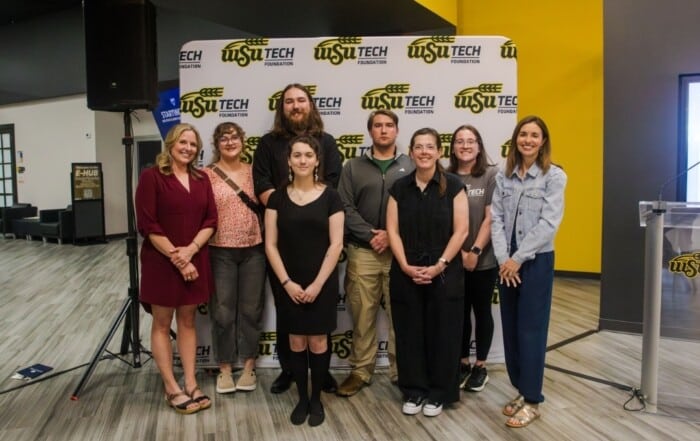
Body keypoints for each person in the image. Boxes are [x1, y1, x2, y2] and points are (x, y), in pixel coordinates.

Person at [253, 83, 342, 394]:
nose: (295, 106)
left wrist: (306, 207)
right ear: (282, 108)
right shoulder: (268, 143)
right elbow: (261, 182)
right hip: (283, 240)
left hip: (319, 241)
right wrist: (284, 207)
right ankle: (289, 370)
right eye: (289, 101)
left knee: (319, 315)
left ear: (310, 105)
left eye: (301, 100)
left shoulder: (327, 143)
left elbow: (331, 184)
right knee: (287, 308)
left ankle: (321, 373)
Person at [135, 123, 217, 414]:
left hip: (195, 258)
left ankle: (191, 382)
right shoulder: (151, 177)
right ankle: (171, 386)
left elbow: (210, 220)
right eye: (183, 142)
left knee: (188, 321)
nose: (188, 148)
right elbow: (148, 224)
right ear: (170, 144)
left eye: (193, 144)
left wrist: (191, 251)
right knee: (161, 322)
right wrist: (178, 259)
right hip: (162, 261)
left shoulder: (202, 178)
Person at [386, 127, 468, 417]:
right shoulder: (398, 187)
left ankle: (439, 393)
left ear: (439, 152)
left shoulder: (455, 186)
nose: (424, 152)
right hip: (405, 270)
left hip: (444, 271)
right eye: (418, 147)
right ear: (411, 152)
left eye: (429, 147)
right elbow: (392, 231)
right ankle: (414, 390)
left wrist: (439, 266)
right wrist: (406, 266)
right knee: (409, 334)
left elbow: (461, 231)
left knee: (443, 334)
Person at [491, 115, 567, 428]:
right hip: (507, 262)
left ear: (543, 141)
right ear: (516, 138)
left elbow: (549, 224)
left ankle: (533, 400)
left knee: (531, 331)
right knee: (510, 329)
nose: (528, 140)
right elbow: (495, 217)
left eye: (535, 135)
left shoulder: (554, 176)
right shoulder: (503, 175)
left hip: (534, 262)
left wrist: (518, 259)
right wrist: (502, 259)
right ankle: (521, 390)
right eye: (523, 134)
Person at [264, 135, 344, 426]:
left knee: (319, 341)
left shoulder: (331, 196)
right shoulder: (276, 197)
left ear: (317, 160)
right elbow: (270, 244)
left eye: (308, 155)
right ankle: (300, 399)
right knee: (296, 341)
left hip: (320, 281)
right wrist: (286, 283)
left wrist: (317, 285)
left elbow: (336, 245)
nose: (302, 160)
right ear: (288, 160)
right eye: (296, 155)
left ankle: (316, 400)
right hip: (289, 282)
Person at [336, 110, 413, 397]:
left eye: (389, 126)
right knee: (362, 315)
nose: (383, 130)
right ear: (370, 131)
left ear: (396, 130)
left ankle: (402, 371)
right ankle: (360, 371)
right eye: (378, 126)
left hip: (399, 253)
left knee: (401, 316)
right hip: (362, 252)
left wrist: (392, 238)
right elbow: (344, 207)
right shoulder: (353, 166)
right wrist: (372, 234)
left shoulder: (411, 164)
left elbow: (416, 207)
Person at [203, 122, 266, 394]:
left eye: (235, 137)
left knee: (251, 311)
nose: (230, 142)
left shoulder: (255, 173)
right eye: (224, 138)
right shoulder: (205, 175)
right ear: (217, 144)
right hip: (219, 250)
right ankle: (225, 368)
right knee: (222, 312)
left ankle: (249, 366)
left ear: (243, 141)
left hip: (254, 249)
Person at [447, 125, 499, 392]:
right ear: (453, 147)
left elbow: (491, 218)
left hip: (484, 260)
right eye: (459, 141)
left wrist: (475, 252)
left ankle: (481, 365)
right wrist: (461, 253)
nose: (465, 145)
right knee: (459, 313)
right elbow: (443, 220)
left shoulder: (490, 175)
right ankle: (462, 362)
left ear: (479, 146)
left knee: (481, 311)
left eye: (470, 141)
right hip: (454, 259)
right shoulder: (445, 176)